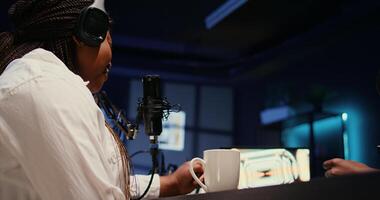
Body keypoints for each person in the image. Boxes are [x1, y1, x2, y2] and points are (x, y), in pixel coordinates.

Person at [0, 0, 202, 199]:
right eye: (107, 38)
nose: (111, 53)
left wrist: (172, 183)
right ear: (85, 32)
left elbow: (102, 181)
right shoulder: (46, 89)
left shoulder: (46, 84)